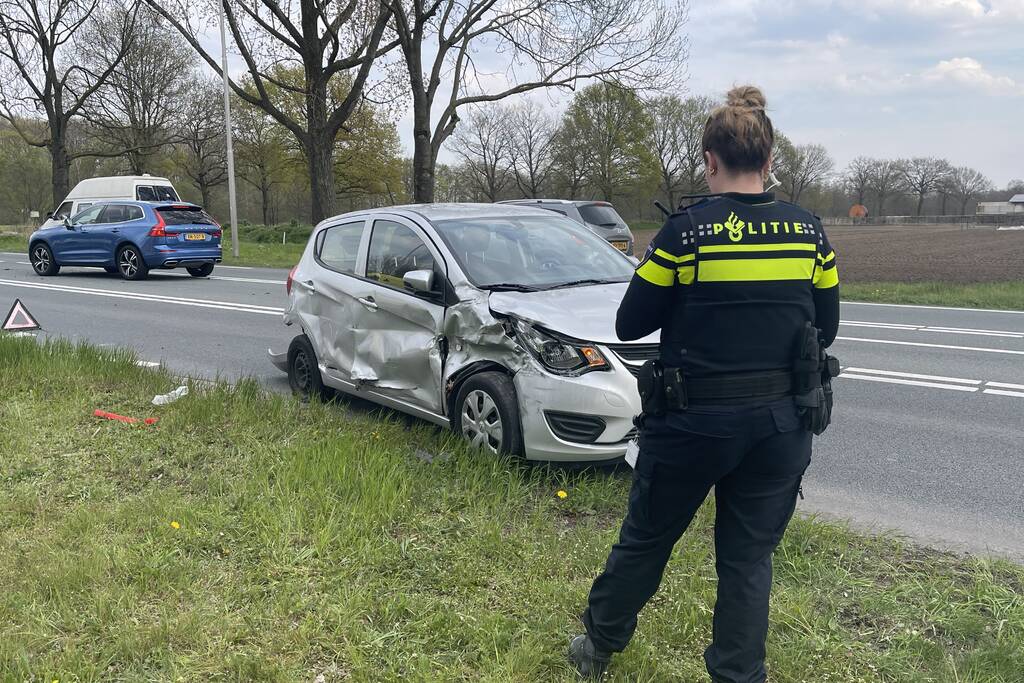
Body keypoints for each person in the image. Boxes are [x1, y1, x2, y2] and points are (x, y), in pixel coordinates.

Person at [568, 85, 840, 682]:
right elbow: (827, 327)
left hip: (692, 424)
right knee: (747, 561)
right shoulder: (809, 234)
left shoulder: (686, 233)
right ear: (770, 161)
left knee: (647, 539)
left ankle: (597, 647)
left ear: (710, 161)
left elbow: (630, 323)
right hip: (781, 426)